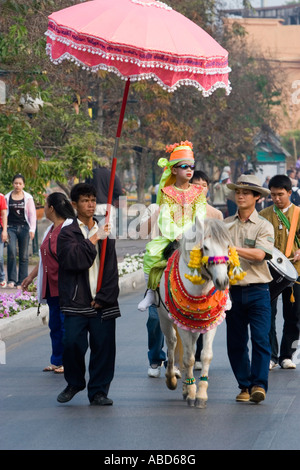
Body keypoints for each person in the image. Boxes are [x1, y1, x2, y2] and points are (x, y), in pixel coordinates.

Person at [56, 183, 120, 406]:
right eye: (85, 200)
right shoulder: (67, 233)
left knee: (104, 347)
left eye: (93, 199)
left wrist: (105, 297)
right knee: (72, 342)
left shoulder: (105, 231)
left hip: (102, 301)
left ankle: (99, 391)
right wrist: (94, 238)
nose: (91, 204)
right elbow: (74, 260)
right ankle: (74, 382)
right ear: (74, 205)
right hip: (77, 300)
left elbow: (111, 268)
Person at [137, 141, 206, 312]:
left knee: (218, 255)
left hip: (195, 234)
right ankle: (152, 292)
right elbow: (165, 216)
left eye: (192, 166)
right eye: (184, 166)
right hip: (172, 236)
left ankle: (222, 293)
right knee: (152, 254)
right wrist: (177, 234)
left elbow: (201, 214)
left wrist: (192, 233)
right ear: (174, 170)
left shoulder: (198, 191)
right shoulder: (167, 192)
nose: (189, 170)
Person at [224, 174, 274, 403]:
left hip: (259, 290)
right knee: (235, 342)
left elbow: (260, 255)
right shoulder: (225, 224)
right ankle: (244, 386)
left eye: (246, 192)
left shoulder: (264, 226)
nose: (240, 196)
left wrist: (231, 248)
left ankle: (258, 385)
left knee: (261, 339)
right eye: (238, 192)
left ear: (256, 197)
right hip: (231, 292)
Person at [21, 193, 75, 373]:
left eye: (45, 204)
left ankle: (68, 362)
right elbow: (44, 258)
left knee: (65, 325)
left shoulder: (69, 228)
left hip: (65, 286)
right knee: (55, 326)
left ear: (52, 208)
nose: (43, 208)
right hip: (50, 286)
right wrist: (31, 277)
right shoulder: (49, 229)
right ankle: (57, 360)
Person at [260, 174, 300, 370]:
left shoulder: (299, 214)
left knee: (294, 316)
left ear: (290, 193)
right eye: (273, 195)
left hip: (295, 273)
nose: (276, 199)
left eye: (280, 195)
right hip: (269, 273)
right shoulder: (264, 215)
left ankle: (287, 355)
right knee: (268, 314)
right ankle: (271, 356)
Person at [190, 170, 223, 369]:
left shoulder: (216, 214)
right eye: (196, 185)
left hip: (208, 268)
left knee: (206, 309)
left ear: (208, 188)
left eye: (203, 185)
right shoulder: (181, 210)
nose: (200, 189)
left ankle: (202, 354)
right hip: (186, 262)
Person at [5, 174, 36, 288]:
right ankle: (11, 280)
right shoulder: (7, 197)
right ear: (13, 184)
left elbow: (32, 215)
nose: (17, 185)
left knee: (24, 256)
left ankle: (22, 281)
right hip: (10, 228)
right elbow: (4, 213)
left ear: (23, 185)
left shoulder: (28, 197)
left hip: (24, 228)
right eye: (15, 183)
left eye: (20, 183)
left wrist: (32, 229)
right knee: (11, 253)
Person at [0, 192, 8, 288]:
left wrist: (5, 230)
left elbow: (4, 214)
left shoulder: (1, 197)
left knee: (0, 257)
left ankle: (1, 277)